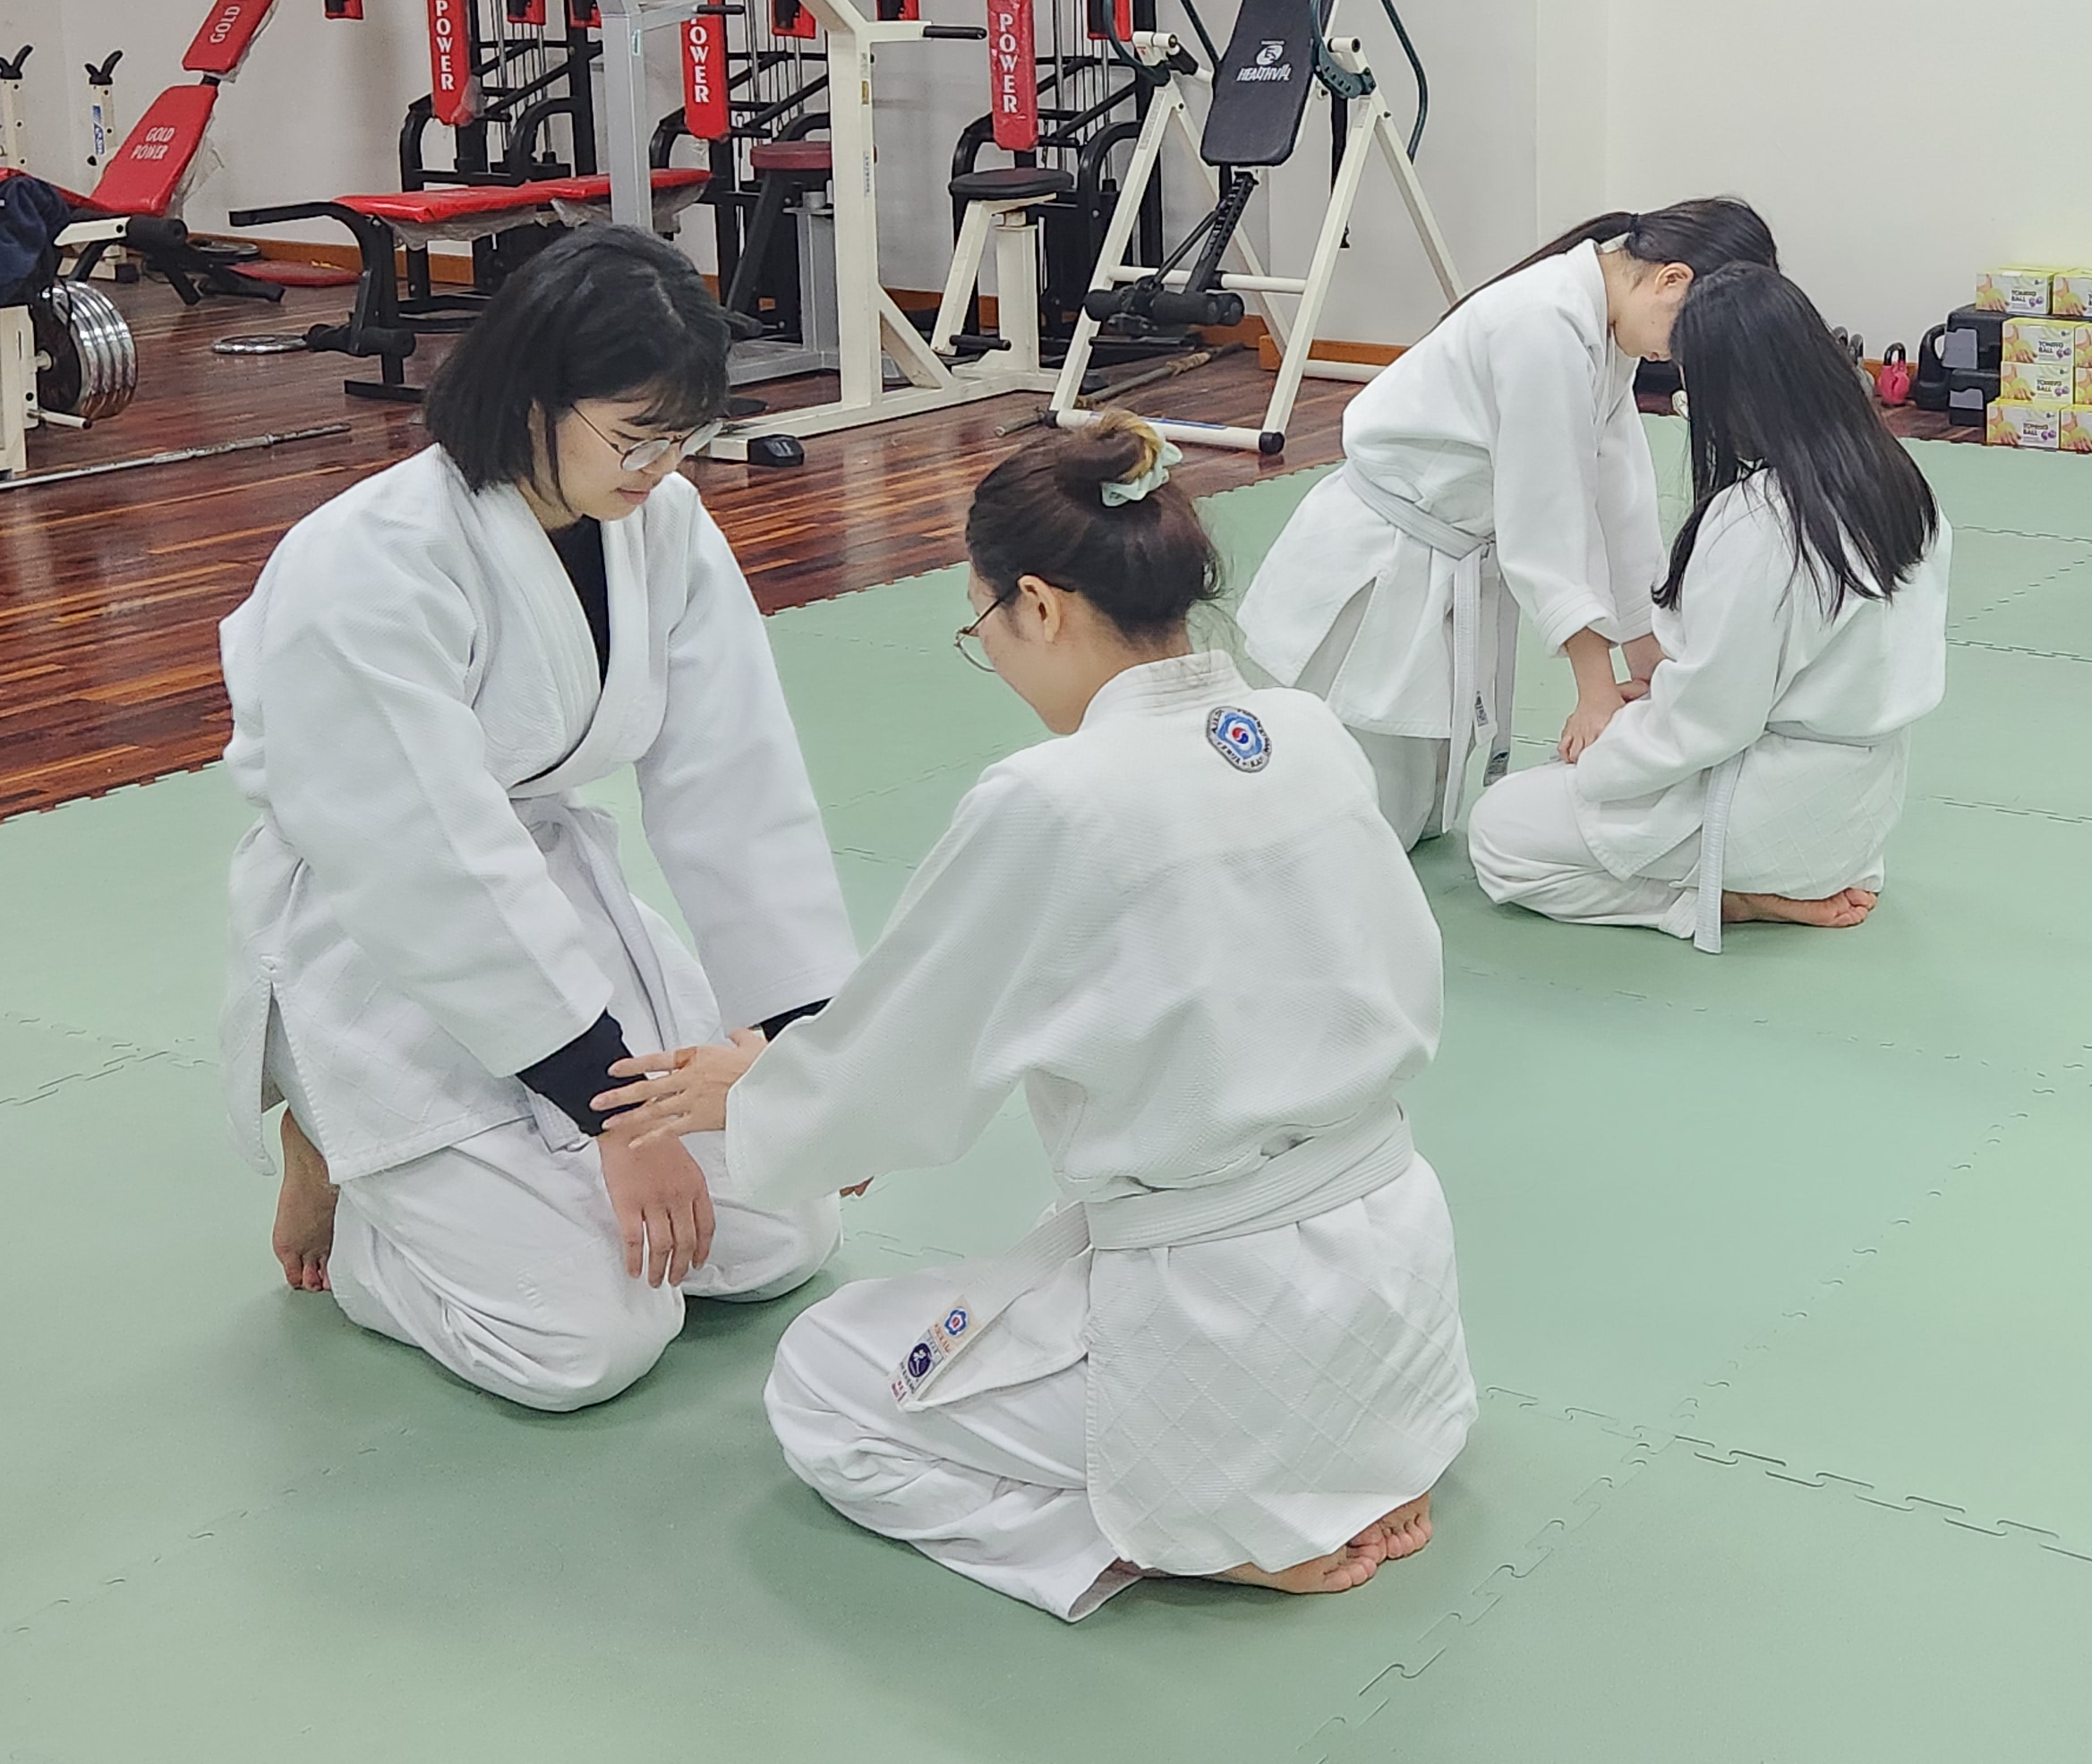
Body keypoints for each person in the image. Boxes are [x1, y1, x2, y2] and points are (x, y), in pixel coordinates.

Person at [602, 415, 1473, 1618]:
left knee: (823, 1378)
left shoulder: (1055, 798)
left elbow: (910, 1052)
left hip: (1224, 1310)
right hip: (1394, 1286)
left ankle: (1210, 1534)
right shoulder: (1305, 730)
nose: (997, 659)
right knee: (1024, 1279)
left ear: (1042, 607)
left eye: (984, 628)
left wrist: (761, 1093)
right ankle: (1349, 1459)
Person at [218, 226, 855, 1412]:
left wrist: (808, 1049)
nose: (662, 466)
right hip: (382, 932)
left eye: (686, 436)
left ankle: (507, 1171)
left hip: (548, 890)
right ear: (531, 399)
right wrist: (621, 1120)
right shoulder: (368, 561)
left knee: (780, 1237)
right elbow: (426, 861)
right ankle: (351, 1185)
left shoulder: (663, 523)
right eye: (635, 435)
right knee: (583, 1347)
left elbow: (737, 780)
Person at [1237, 198, 1779, 842]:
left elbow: (1620, 496)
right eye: (1687, 340)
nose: (1675, 359)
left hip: (1446, 552)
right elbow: (1548, 514)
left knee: (1409, 817)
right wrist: (1595, 690)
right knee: (1334, 820)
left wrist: (1648, 656)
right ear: (1671, 280)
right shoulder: (1543, 322)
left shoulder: (1603, 323)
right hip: (1379, 560)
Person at [1470, 264, 1950, 945]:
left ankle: (1725, 901)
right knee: (1577, 776)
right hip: (1856, 823)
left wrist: (1606, 751)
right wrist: (1657, 695)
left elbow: (1708, 723)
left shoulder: (1761, 521)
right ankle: (1742, 885)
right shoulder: (1903, 491)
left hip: (1760, 821)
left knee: (1499, 832)